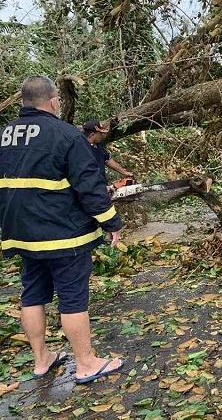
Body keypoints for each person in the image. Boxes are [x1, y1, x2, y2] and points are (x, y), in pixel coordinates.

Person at [0, 76, 124, 383]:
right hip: (63, 234)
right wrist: (111, 222)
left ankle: (41, 360)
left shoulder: (4, 135)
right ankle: (86, 363)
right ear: (55, 101)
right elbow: (89, 187)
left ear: (22, 102)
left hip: (21, 234)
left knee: (32, 295)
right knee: (72, 298)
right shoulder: (66, 135)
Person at [82, 120, 134, 184]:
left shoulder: (98, 144)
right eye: (100, 133)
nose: (102, 135)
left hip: (101, 185)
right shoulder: (82, 149)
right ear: (92, 134)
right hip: (90, 186)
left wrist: (124, 172)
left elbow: (107, 159)